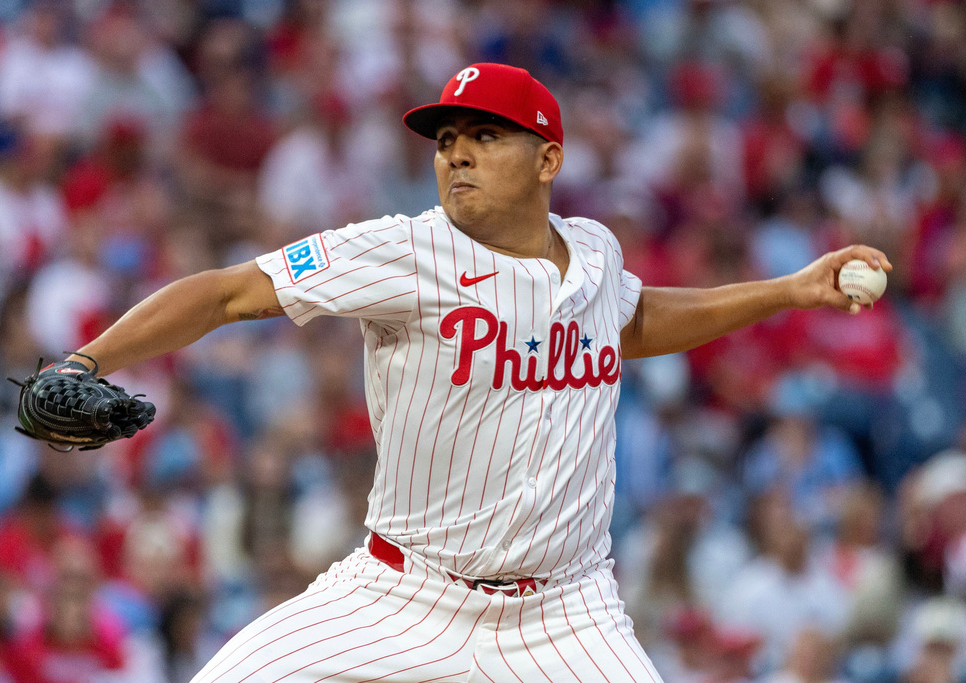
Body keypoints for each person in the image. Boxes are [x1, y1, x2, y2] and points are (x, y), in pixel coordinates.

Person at [61, 63, 891, 681]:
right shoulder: (404, 248)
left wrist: (788, 289)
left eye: (485, 136)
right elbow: (229, 292)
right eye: (447, 140)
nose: (455, 154)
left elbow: (634, 321)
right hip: (400, 595)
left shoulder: (596, 252)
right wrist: (87, 359)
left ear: (548, 159)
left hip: (567, 612)